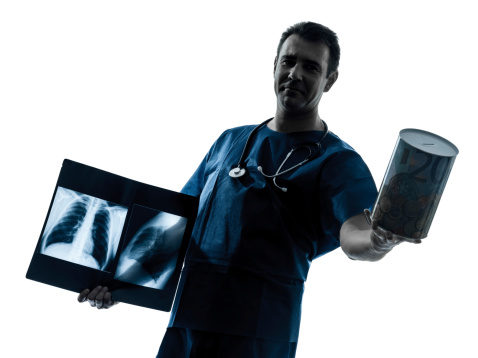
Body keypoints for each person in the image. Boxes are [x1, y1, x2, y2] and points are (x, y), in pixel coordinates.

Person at [78, 21, 420, 357]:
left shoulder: (337, 161)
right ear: (274, 66)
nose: (295, 74)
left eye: (311, 67)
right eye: (289, 61)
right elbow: (173, 228)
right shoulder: (229, 141)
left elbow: (355, 230)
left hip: (260, 335)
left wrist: (378, 241)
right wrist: (117, 283)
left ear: (330, 80)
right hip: (187, 325)